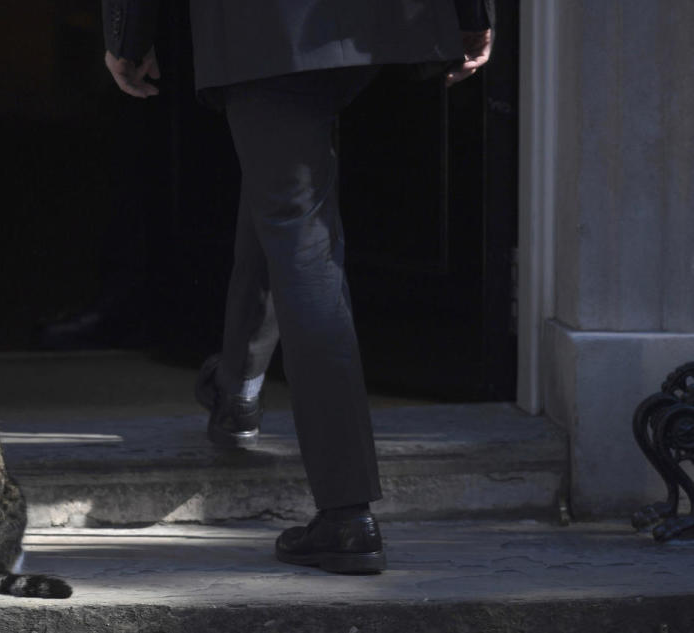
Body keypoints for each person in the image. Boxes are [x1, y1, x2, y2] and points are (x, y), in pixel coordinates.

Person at [101, 0, 493, 574]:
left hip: (265, 28)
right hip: (378, 22)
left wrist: (128, 31)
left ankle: (346, 513)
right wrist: (471, 10)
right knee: (284, 198)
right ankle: (238, 387)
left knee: (302, 239)